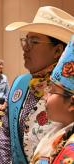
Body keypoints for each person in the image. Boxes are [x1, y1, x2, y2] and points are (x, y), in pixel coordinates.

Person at [0, 6, 74, 163]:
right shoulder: (19, 83)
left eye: (34, 41)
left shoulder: (67, 88)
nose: (25, 47)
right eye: (26, 40)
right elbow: (5, 133)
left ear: (58, 51)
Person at [31, 35, 74, 163]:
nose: (45, 97)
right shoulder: (61, 132)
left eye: (52, 92)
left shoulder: (70, 151)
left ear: (72, 103)